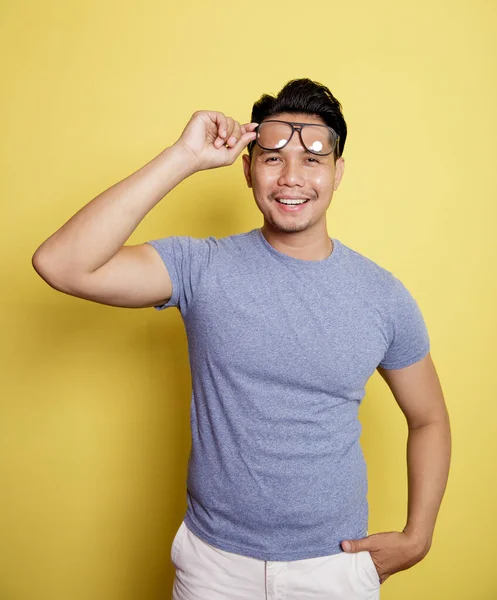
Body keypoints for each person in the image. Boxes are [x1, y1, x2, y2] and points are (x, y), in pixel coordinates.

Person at [32, 78, 451, 600]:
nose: (291, 178)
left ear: (338, 173)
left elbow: (429, 418)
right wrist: (183, 156)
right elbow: (61, 263)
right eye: (273, 159)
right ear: (247, 168)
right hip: (214, 566)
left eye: (312, 160)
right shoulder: (200, 266)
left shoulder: (383, 296)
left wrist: (419, 536)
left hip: (332, 566)